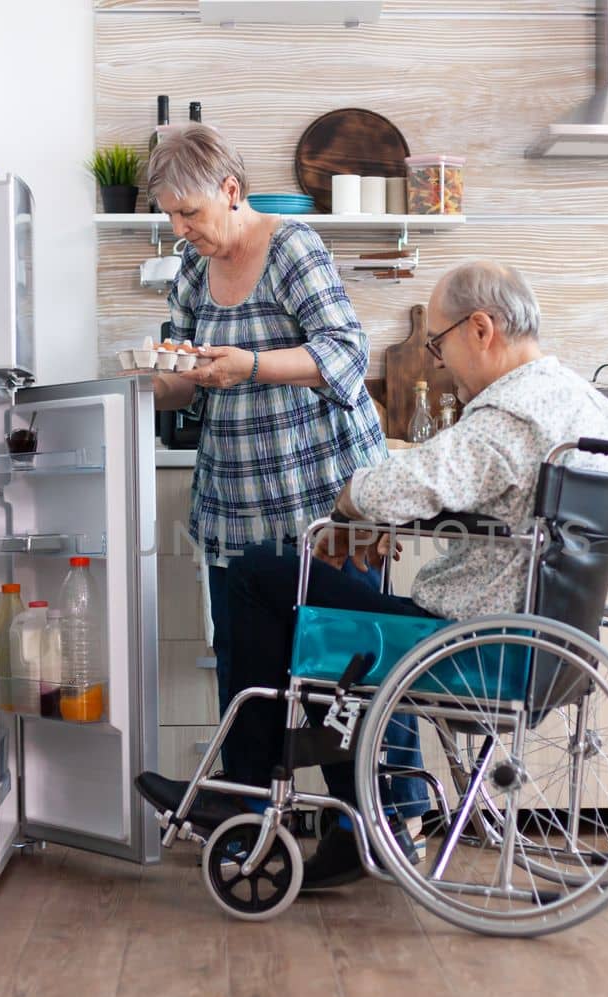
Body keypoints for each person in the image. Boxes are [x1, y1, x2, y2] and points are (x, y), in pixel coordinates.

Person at [137, 260, 608, 891]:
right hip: (540, 642)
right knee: (311, 609)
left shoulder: (511, 415)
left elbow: (394, 484)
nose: (439, 360)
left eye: (440, 342)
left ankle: (257, 798)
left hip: (466, 643)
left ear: (480, 329)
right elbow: (487, 497)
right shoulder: (587, 406)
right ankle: (352, 819)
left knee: (263, 574)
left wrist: (350, 510)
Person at [143, 123, 390, 779]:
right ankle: (248, 817)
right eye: (169, 215)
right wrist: (144, 382)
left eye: (188, 212)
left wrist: (249, 365)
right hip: (238, 502)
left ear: (230, 190)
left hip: (325, 501)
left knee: (343, 675)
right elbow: (185, 382)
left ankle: (363, 824)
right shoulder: (194, 268)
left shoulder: (293, 249)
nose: (179, 229)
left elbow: (346, 353)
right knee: (246, 676)